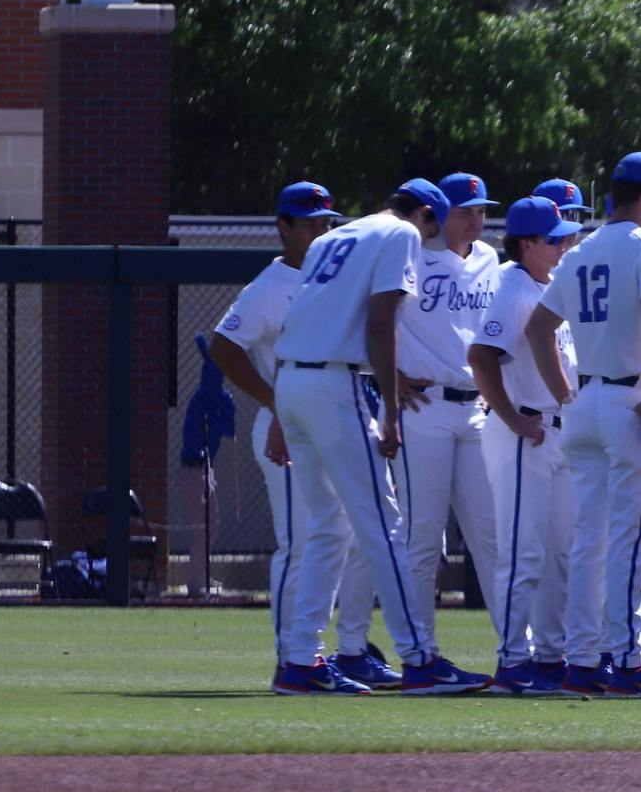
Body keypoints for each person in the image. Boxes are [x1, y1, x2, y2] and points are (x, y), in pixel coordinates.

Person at [271, 177, 491, 694]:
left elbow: (297, 321)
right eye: (433, 225)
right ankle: (420, 659)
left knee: (329, 526)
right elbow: (381, 321)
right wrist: (391, 406)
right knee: (385, 524)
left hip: (294, 380)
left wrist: (283, 408)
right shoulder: (401, 235)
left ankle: (300, 660)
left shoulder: (331, 238)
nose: (431, 236)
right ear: (424, 215)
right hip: (334, 384)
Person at [527, 151, 641, 698]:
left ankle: (582, 660)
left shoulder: (581, 250)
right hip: (630, 404)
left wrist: (566, 396)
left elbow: (538, 329)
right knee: (634, 541)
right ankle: (629, 661)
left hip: (587, 404)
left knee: (590, 541)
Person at [208, 180, 358, 689]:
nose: (320, 231)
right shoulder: (268, 287)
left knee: (333, 540)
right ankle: (291, 661)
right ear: (283, 227)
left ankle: (310, 652)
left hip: (329, 423)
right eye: (310, 222)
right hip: (284, 427)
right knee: (299, 543)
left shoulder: (335, 276)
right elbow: (223, 346)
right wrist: (275, 401)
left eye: (325, 222)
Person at [469, 195, 582, 695]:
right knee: (524, 552)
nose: (564, 245)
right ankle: (513, 661)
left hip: (555, 432)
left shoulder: (547, 286)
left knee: (560, 552)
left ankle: (549, 656)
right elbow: (481, 354)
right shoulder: (513, 287)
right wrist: (511, 416)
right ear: (528, 243)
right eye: (555, 239)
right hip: (525, 433)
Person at [392, 172, 505, 665]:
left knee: (492, 537)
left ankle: (517, 653)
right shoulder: (410, 254)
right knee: (423, 539)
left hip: (475, 408)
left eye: (482, 209)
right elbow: (367, 318)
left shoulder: (490, 258)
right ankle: (420, 654)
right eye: (466, 210)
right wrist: (386, 375)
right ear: (438, 215)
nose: (477, 218)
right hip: (424, 406)